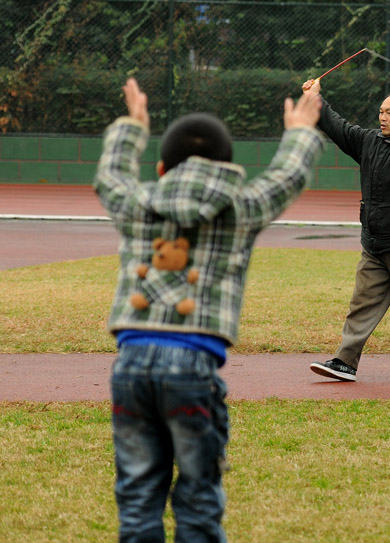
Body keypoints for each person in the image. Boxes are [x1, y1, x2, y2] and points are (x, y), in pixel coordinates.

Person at [94, 78, 323, 543]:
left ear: (160, 168)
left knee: (138, 494)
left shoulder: (138, 203)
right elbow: (286, 178)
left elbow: (110, 178)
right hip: (194, 367)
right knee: (199, 497)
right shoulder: (238, 208)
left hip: (131, 365)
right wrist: (299, 131)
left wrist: (131, 126)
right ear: (227, 169)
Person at [301, 76, 390, 382]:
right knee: (362, 304)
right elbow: (337, 126)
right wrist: (315, 98)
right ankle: (345, 361)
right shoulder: (369, 142)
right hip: (375, 244)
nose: (382, 116)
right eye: (381, 111)